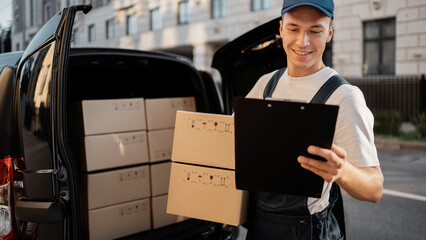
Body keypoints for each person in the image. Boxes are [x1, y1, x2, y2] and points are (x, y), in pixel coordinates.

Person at [244, 0, 384, 239]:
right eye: (294, 29)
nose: (302, 42)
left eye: (315, 31)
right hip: (259, 228)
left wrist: (342, 171)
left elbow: (374, 188)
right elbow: (231, 144)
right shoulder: (266, 84)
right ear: (281, 29)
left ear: (330, 32)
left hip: (307, 231)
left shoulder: (344, 96)